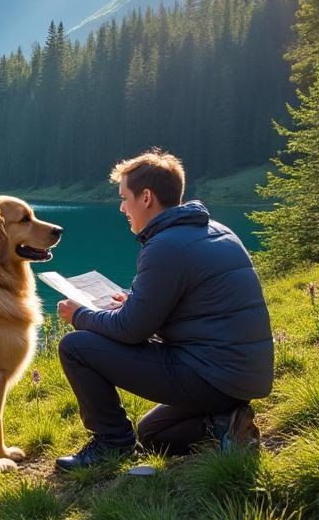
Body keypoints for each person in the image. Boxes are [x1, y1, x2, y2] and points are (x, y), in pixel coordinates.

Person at [53, 149, 273, 470]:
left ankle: (112, 444)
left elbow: (131, 331)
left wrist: (79, 316)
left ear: (146, 197)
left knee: (75, 347)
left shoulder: (165, 246)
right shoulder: (217, 231)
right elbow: (195, 305)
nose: (122, 207)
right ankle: (225, 425)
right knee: (153, 434)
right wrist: (135, 302)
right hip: (242, 376)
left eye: (124, 198)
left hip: (212, 374)